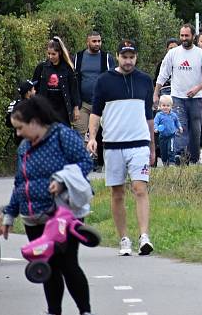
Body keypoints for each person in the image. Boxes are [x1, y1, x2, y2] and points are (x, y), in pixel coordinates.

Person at [0, 95, 94, 315]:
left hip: (62, 215)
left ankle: (85, 312)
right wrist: (9, 215)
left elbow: (86, 161)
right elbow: (20, 183)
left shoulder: (62, 135)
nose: (18, 133)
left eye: (20, 127)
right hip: (33, 217)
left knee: (68, 264)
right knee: (47, 267)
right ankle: (54, 313)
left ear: (34, 122)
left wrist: (62, 180)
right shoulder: (24, 147)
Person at [89, 39, 156, 257]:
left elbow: (149, 116)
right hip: (113, 145)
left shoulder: (145, 80)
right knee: (117, 193)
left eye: (132, 57)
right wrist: (92, 138)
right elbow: (95, 112)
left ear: (136, 57)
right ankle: (124, 239)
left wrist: (152, 146)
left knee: (140, 188)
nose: (128, 61)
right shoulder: (104, 81)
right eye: (124, 57)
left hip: (139, 144)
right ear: (117, 56)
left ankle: (144, 236)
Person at [154, 24, 202, 163]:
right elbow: (163, 74)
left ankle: (194, 157)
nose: (184, 38)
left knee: (195, 129)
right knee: (180, 126)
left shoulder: (201, 54)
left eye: (187, 36)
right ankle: (180, 155)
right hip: (177, 97)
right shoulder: (173, 54)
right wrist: (156, 93)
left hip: (196, 98)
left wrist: (197, 88)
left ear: (193, 36)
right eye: (182, 35)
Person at [73, 31, 116, 168]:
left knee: (105, 133)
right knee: (80, 132)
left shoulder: (107, 58)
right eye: (94, 41)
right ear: (87, 42)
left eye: (99, 41)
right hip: (83, 103)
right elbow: (73, 79)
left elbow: (113, 78)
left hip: (103, 104)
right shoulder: (78, 58)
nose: (97, 44)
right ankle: (84, 161)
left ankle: (102, 162)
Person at [32, 37, 81, 127]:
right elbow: (34, 87)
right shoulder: (42, 67)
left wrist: (76, 107)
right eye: (49, 54)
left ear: (60, 53)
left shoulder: (67, 68)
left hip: (62, 108)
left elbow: (73, 89)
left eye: (53, 54)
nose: (51, 57)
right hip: (46, 107)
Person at [6, 79, 36, 145]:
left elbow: (8, 122)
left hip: (18, 139)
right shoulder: (29, 106)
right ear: (28, 93)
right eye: (33, 89)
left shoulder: (15, 103)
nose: (35, 91)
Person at [154, 95, 182, 166]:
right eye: (163, 105)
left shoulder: (173, 115)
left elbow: (177, 121)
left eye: (168, 105)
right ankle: (165, 162)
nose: (166, 107)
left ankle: (172, 162)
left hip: (171, 135)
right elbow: (155, 123)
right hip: (162, 136)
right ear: (160, 106)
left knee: (171, 149)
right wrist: (156, 128)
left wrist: (179, 127)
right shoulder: (159, 115)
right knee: (163, 151)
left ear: (171, 106)